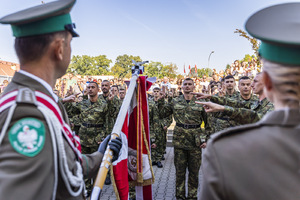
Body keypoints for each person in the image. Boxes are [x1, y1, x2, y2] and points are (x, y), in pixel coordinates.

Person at [0, 1, 122, 199]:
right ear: (59, 49)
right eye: (70, 44)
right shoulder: (27, 111)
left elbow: (61, 164)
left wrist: (100, 157)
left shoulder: (41, 98)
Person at [198, 3, 300, 199]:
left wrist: (220, 105)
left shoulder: (225, 151)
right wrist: (217, 100)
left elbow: (249, 113)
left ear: (267, 82)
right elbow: (241, 106)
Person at [158, 78, 211, 200]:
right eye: (185, 84)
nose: (187, 86)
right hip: (180, 141)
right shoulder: (175, 101)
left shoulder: (200, 102)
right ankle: (180, 196)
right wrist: (161, 100)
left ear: (194, 87)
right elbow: (162, 114)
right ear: (181, 87)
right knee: (180, 173)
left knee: (194, 173)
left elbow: (208, 123)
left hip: (195, 141)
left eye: (189, 84)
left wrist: (206, 139)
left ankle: (192, 196)